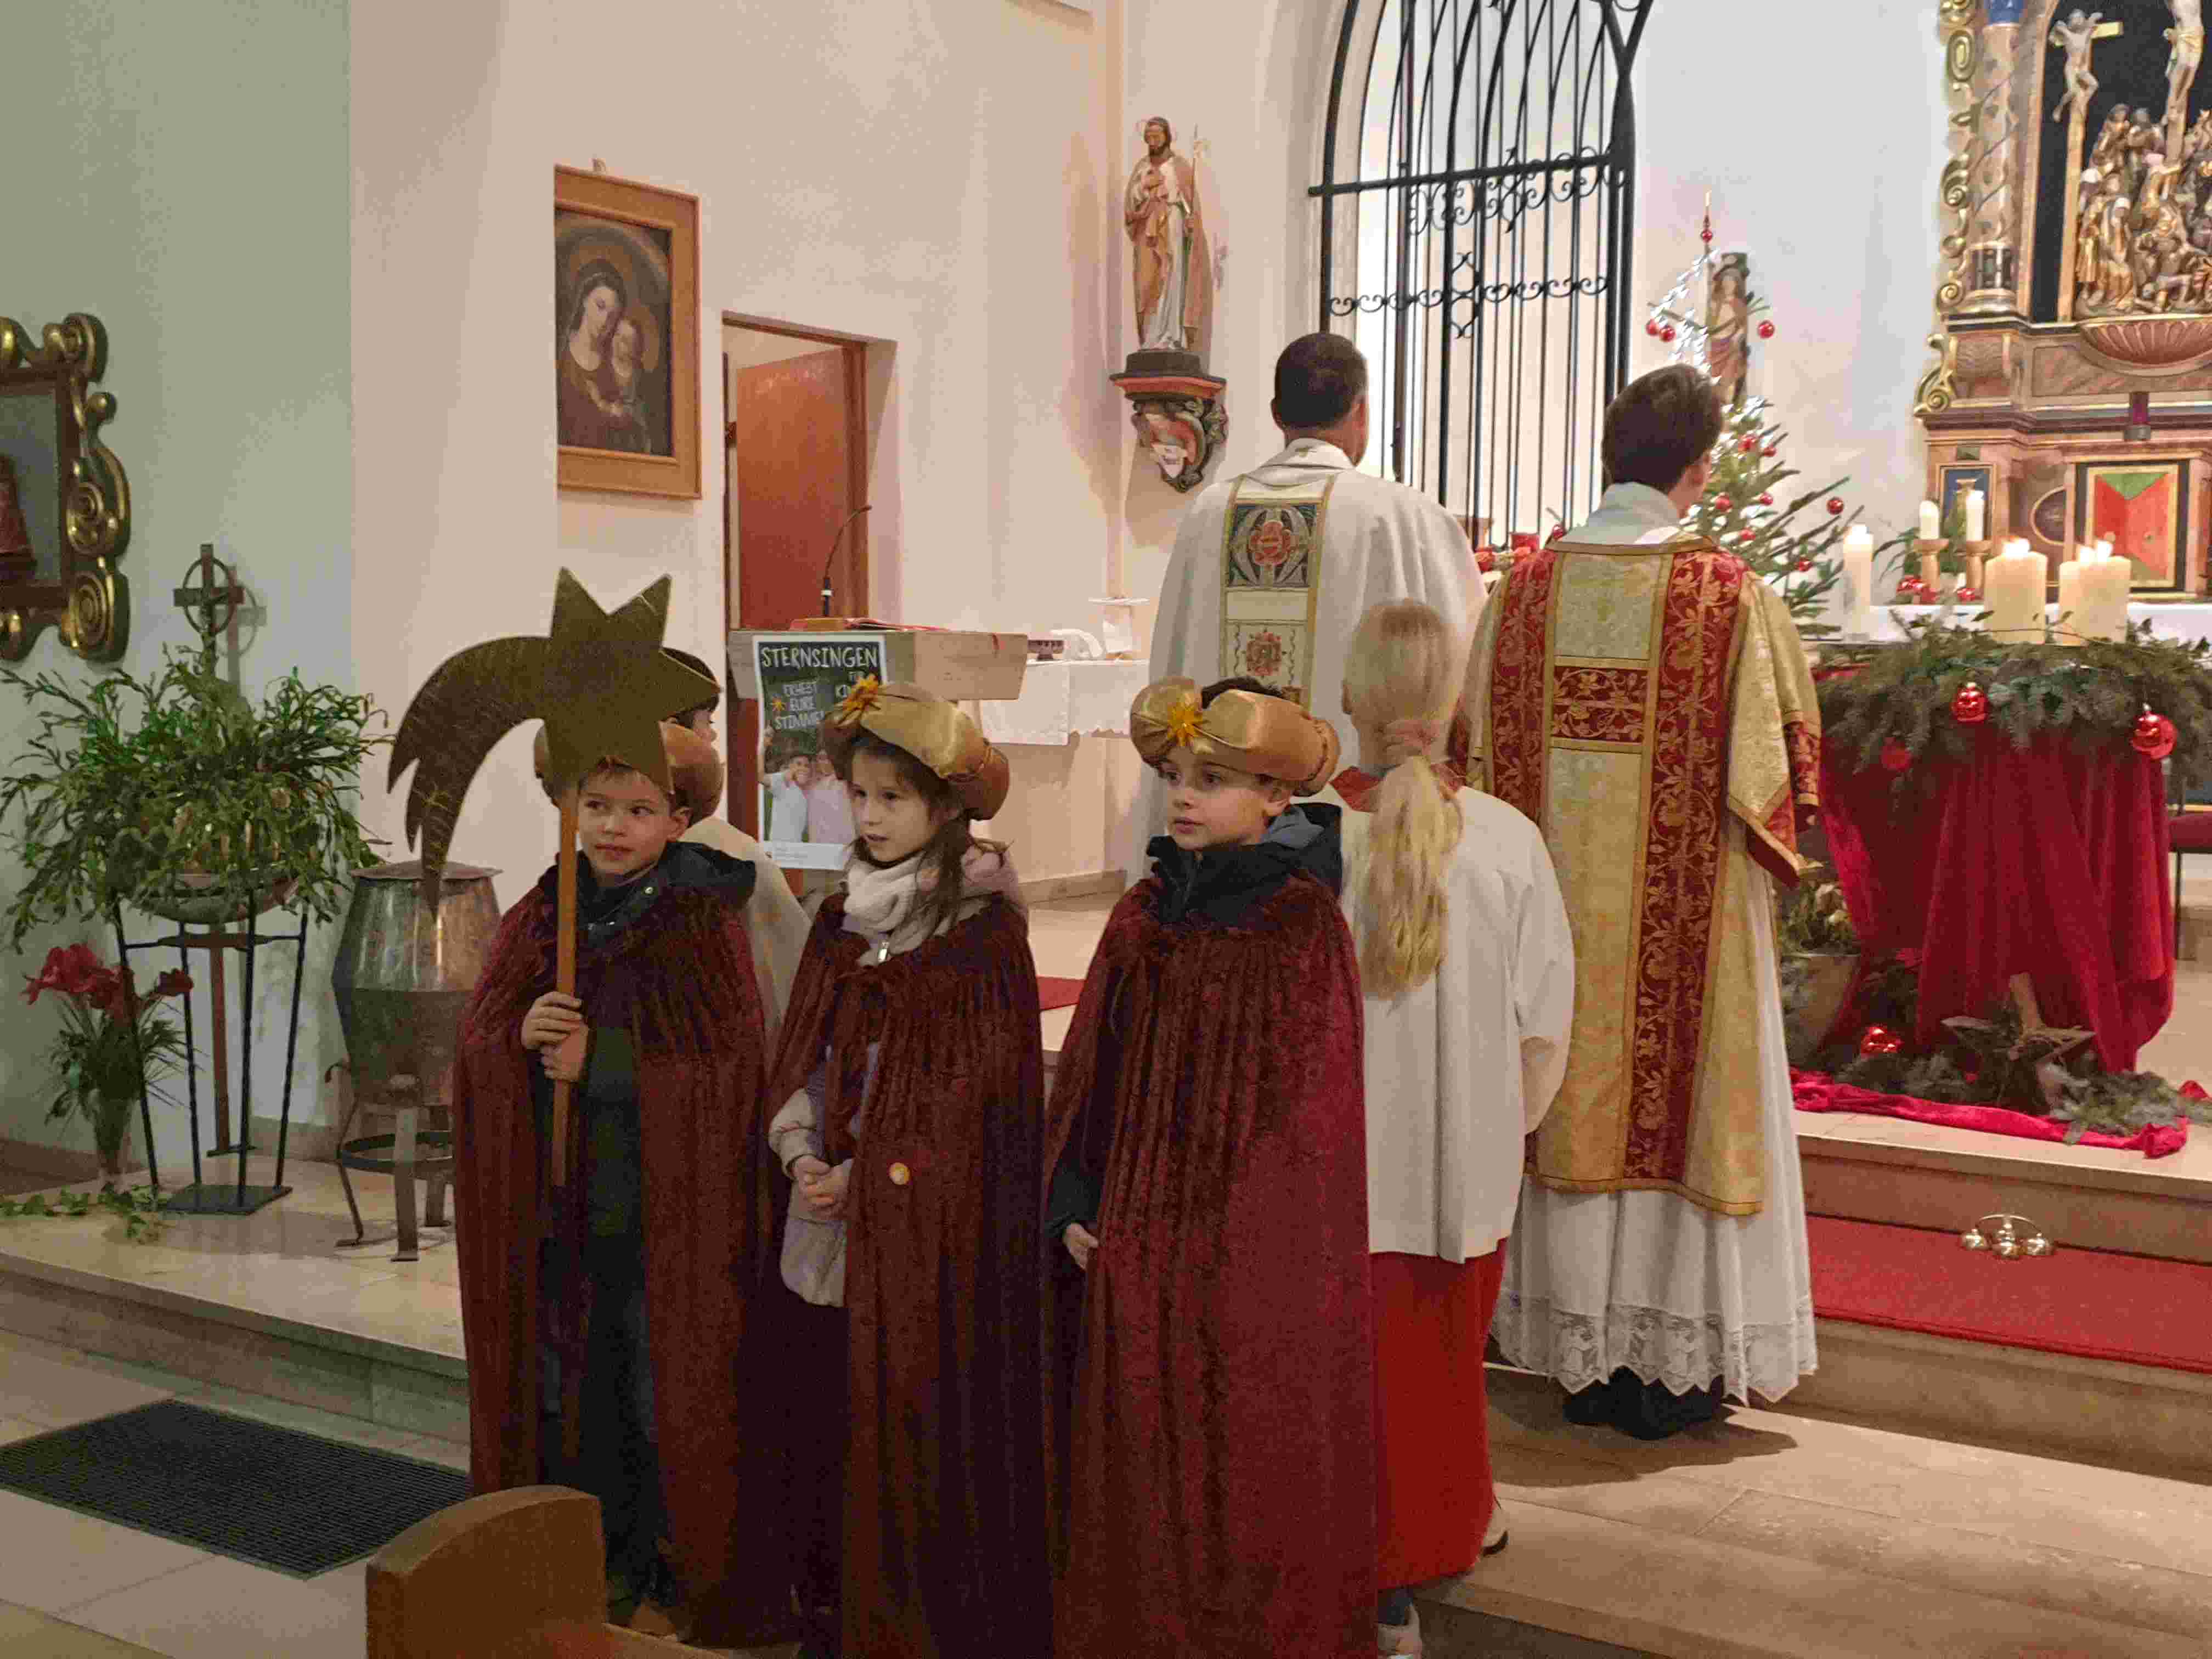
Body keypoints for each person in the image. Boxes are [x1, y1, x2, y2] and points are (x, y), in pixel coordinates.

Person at [1464, 364, 1822, 1440]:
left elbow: (1469, 760)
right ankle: (1672, 1368)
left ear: (1609, 458)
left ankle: (1575, 1352)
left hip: (1547, 926)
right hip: (1688, 944)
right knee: (1685, 1100)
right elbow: (1776, 782)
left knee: (1563, 1090)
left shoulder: (1519, 596)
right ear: (1699, 469)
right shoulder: (1727, 597)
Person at [1046, 675, 1373, 1659]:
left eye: (1213, 779)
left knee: (1236, 1461)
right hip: (1129, 1241)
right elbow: (1091, 1073)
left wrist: (1207, 1243)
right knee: (1138, 1460)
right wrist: (1074, 1195)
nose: (1183, 796)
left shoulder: (1295, 925)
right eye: (1175, 775)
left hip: (1236, 1264)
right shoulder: (1144, 911)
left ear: (1275, 795)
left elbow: (1298, 1125)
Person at [448, 719, 785, 1642]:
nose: (612, 826)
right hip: (560, 1209)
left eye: (638, 810)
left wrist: (601, 1060)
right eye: (595, 805)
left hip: (655, 1216)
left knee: (653, 1395)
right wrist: (515, 1038)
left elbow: (726, 1069)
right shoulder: (545, 909)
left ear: (678, 819)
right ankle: (580, 1554)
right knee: (570, 1392)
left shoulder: (699, 917)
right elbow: (481, 1036)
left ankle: (672, 1569)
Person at [761, 679, 1048, 1659]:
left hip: (929, 1240)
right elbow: (805, 1052)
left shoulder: (980, 936)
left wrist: (879, 1166)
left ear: (945, 807)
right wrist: (803, 1149)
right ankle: (834, 1610)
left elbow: (974, 1102)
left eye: (894, 797)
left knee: (910, 1418)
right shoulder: (838, 917)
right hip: (827, 1218)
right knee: (830, 1421)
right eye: (860, 793)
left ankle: (912, 1618)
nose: (871, 815)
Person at [1321, 601, 1575, 1657]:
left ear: (1351, 696)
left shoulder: (1303, 834)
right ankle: (1446, 1519)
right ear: (1451, 699)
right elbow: (1544, 1021)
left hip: (1333, 1167)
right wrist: (1499, 1128)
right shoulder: (1507, 837)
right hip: (1461, 1169)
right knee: (1439, 1366)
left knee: (1344, 1374)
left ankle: (1361, 1566)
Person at [1137, 331, 1474, 878]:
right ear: (1361, 410)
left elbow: (1171, 656)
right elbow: (1460, 660)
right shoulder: (1403, 515)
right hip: (1354, 829)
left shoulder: (1210, 511)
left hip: (1214, 828)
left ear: (1276, 413)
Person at [661, 646, 811, 1034]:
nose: (712, 734)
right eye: (706, 721)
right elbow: (790, 989)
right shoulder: (719, 847)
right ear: (672, 730)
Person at [805, 747, 857, 846]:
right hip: (818, 840)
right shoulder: (813, 785)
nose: (825, 762)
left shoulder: (844, 782)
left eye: (828, 759)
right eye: (821, 758)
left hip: (842, 840)